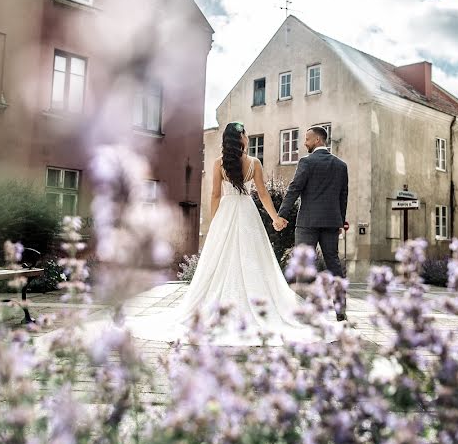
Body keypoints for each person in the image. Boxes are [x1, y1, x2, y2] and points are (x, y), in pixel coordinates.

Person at [125, 122, 330, 346]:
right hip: (246, 212)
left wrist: (215, 224)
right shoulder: (254, 163)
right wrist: (275, 218)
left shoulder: (218, 164)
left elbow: (214, 195)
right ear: (240, 138)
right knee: (253, 257)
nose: (248, 137)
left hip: (226, 211)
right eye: (246, 134)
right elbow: (262, 194)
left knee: (222, 257)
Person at [277, 126, 349, 320]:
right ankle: (340, 310)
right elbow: (343, 196)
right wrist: (341, 221)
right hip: (331, 221)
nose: (304, 143)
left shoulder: (306, 162)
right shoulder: (341, 166)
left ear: (317, 140)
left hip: (308, 221)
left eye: (307, 139)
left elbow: (294, 188)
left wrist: (281, 214)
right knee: (333, 263)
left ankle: (303, 310)